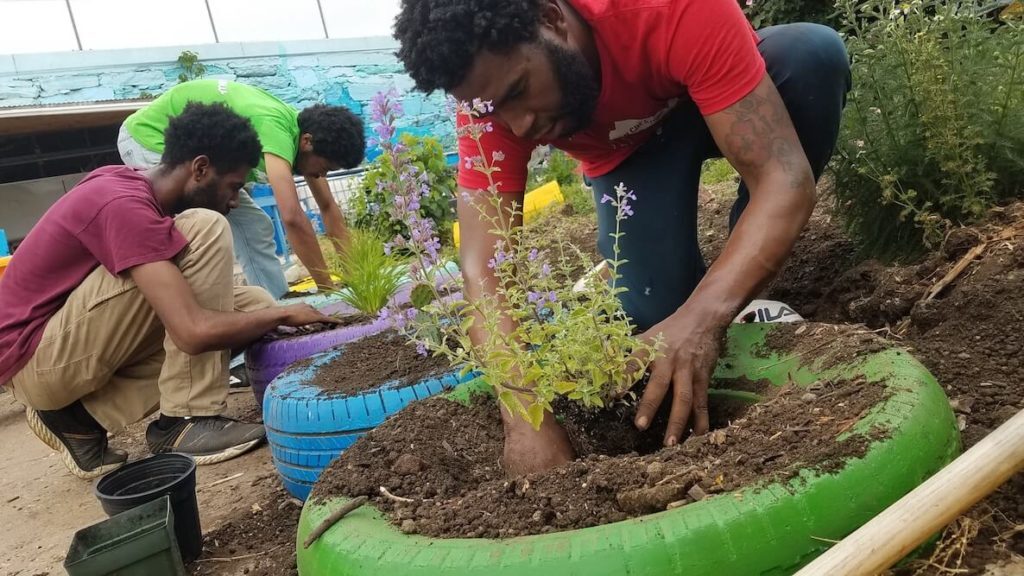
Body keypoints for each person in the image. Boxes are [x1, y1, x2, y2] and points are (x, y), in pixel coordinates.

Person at [393, 0, 851, 473]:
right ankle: (644, 283)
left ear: (551, 19)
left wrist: (703, 318)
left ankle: (744, 291)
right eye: (495, 111)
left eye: (519, 90)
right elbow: (483, 270)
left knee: (810, 55)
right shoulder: (488, 106)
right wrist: (526, 418)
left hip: (726, 97)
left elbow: (785, 180)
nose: (519, 125)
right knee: (655, 318)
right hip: (630, 158)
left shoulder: (667, 8)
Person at [0, 103, 339, 479]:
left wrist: (270, 314)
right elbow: (193, 332)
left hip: (58, 357)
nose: (233, 201)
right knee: (203, 228)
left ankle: (80, 419)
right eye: (233, 187)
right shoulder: (122, 202)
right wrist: (284, 312)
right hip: (35, 356)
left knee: (253, 307)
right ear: (200, 168)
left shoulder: (139, 195)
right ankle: (187, 419)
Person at [119, 79, 366, 298]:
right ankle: (187, 307)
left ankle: (275, 304)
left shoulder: (303, 133)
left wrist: (357, 279)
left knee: (253, 225)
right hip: (148, 138)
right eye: (325, 167)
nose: (322, 175)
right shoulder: (276, 127)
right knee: (202, 223)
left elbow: (328, 206)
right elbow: (292, 216)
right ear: (307, 141)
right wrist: (327, 289)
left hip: (193, 147)